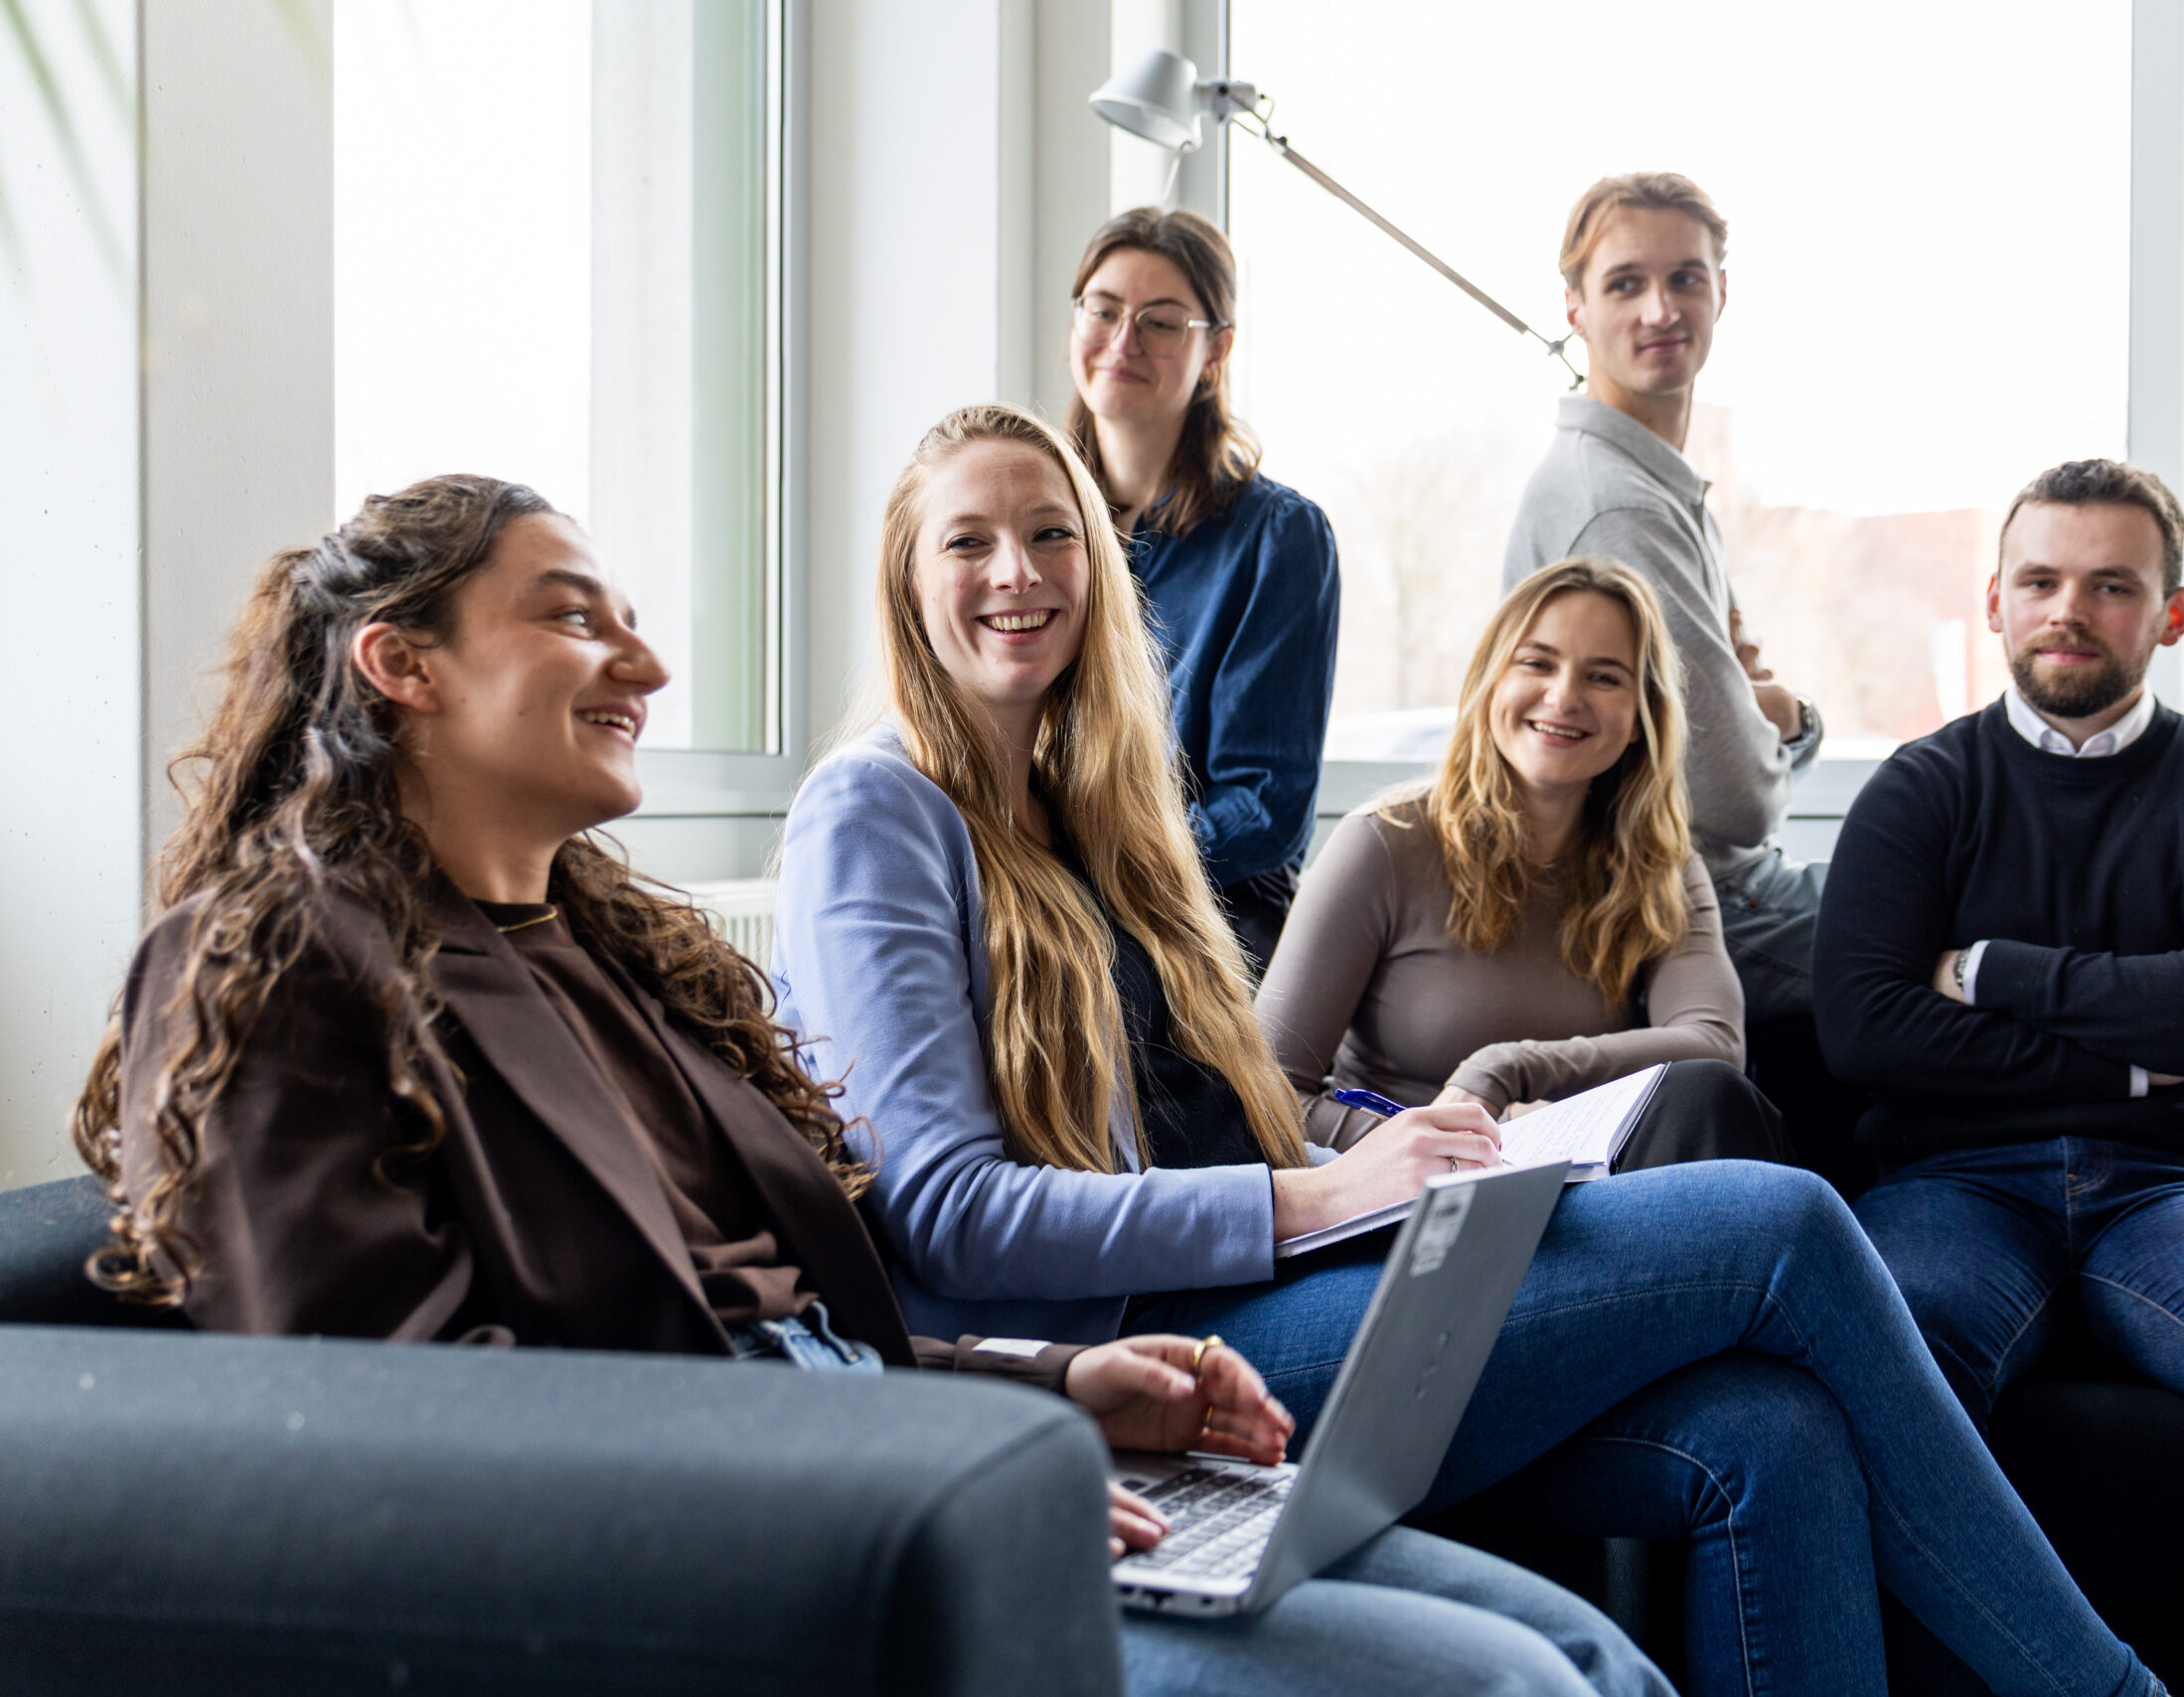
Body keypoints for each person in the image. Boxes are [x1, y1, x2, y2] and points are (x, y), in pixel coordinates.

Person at [70, 473, 1667, 1697]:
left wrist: (1046, 1390)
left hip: (909, 1467)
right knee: (1514, 1685)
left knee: (1574, 1645)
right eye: (572, 616)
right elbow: (392, 1446)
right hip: (774, 1559)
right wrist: (925, 1479)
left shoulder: (609, 949)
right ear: (400, 663)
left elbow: (778, 1322)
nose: (645, 658)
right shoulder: (272, 966)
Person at [776, 402, 2170, 1697]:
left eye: (1050, 534)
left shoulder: (1103, 821)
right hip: (1144, 1346)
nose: (1016, 572)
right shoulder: (877, 812)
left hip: (1269, 1270)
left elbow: (1231, 1103)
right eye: (968, 540)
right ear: (907, 580)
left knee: (1775, 1438)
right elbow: (945, 1214)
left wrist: (1382, 1153)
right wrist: (1312, 1197)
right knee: (1789, 1225)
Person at [1814, 457, 2184, 1696]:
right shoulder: (1922, 789)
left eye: (2108, 585)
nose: (2066, 611)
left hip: (2180, 1191)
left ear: (2171, 614)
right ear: (1992, 600)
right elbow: (1865, 1029)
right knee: (1890, 1346)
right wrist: (2148, 1049)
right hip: (1953, 1184)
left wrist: (1989, 971)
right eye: (2038, 580)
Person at [1257, 556, 1785, 1164]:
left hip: (1581, 1187)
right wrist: (1460, 1146)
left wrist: (1511, 1067)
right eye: (1537, 663)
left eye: (1605, 678)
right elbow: (1267, 1092)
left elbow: (1715, 1047)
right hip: (1406, 1203)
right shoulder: (1383, 842)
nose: (1563, 697)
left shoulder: (1659, 864)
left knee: (1719, 1113)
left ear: (1641, 718)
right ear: (1490, 684)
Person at [1503, 172, 1823, 1018]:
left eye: (1685, 278)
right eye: (1624, 284)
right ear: (1574, 308)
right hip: (1675, 912)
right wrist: (1788, 718)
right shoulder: (1614, 503)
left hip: (1714, 891)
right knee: (1925, 965)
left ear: (1722, 291)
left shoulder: (1652, 483)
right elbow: (1737, 803)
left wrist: (1748, 715)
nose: (1659, 310)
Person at [1065, 207, 1340, 972]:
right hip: (1052, 904)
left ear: (1216, 350)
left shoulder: (1280, 537)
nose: (1124, 341)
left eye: (1161, 322)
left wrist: (1100, 867)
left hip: (1207, 920)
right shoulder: (1034, 527)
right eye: (1104, 310)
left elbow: (1265, 808)